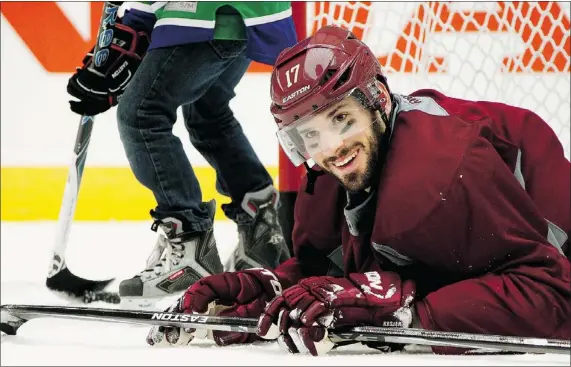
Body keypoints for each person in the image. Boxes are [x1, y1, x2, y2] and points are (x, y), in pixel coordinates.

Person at [145, 25, 571, 355]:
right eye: (309, 135)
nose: (332, 149)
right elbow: (331, 280)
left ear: (379, 99)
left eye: (342, 120)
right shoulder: (333, 181)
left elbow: (551, 294)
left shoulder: (442, 173)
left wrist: (408, 313)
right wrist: (261, 292)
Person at [66, 2, 296, 307]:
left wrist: (137, 18)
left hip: (205, 14)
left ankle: (190, 247)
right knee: (208, 113)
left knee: (141, 114)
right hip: (247, 14)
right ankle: (263, 231)